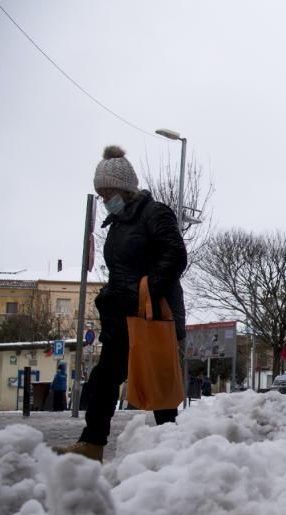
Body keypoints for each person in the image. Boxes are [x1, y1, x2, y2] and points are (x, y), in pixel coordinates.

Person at [54, 146, 187, 462]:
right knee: (103, 379)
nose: (104, 199)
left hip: (151, 314)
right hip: (123, 316)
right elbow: (120, 270)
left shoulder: (155, 213)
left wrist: (147, 289)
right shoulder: (117, 224)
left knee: (158, 383)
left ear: (126, 189)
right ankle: (92, 444)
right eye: (100, 194)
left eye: (108, 192)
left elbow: (175, 255)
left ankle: (175, 452)